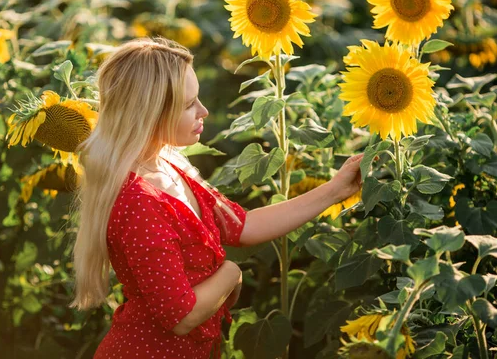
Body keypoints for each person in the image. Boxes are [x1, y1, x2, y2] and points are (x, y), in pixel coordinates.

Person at [69, 37, 364, 359]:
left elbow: (242, 224)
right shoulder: (140, 202)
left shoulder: (166, 165)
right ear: (149, 112)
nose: (204, 111)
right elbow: (181, 316)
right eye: (188, 104)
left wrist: (336, 190)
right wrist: (231, 273)